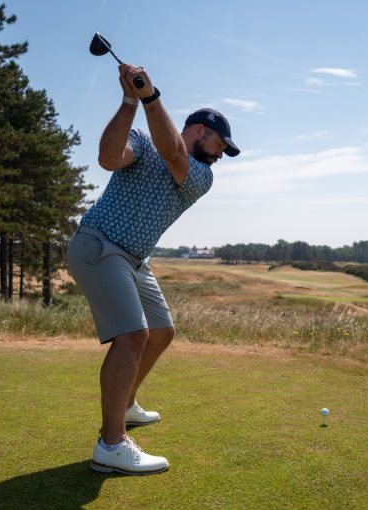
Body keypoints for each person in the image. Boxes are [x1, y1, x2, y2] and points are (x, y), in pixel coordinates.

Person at [67, 63, 240, 475]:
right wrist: (130, 100)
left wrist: (149, 95)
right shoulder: (144, 142)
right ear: (200, 131)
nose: (221, 154)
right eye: (220, 144)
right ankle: (111, 445)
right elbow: (109, 158)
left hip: (134, 259)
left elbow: (173, 154)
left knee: (161, 331)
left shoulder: (199, 175)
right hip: (99, 244)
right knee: (132, 336)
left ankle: (125, 406)